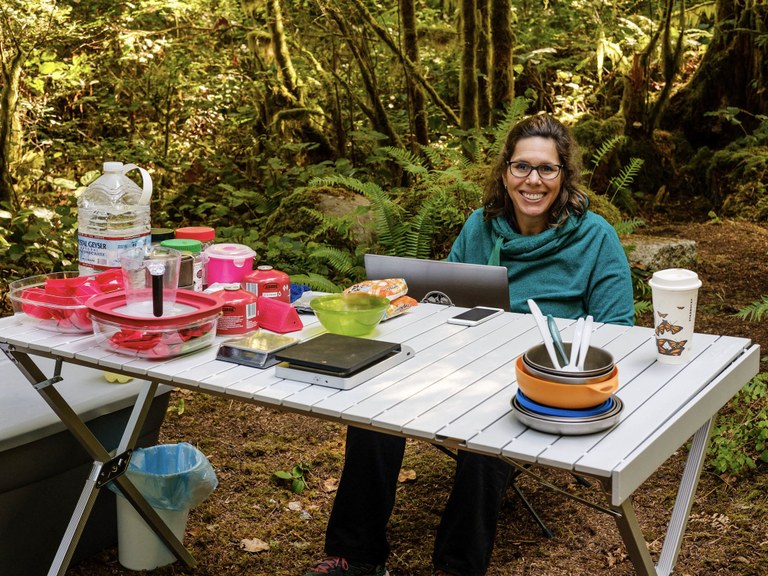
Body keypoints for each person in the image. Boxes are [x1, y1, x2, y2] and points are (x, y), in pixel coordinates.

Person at [303, 114, 635, 576]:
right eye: (522, 167)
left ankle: (456, 568)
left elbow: (619, 330)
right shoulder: (481, 225)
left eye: (546, 168)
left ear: (564, 175)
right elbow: (445, 300)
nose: (533, 180)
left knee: (488, 432)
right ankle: (355, 556)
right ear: (505, 171)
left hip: (541, 378)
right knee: (373, 408)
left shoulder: (595, 236)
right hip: (463, 361)